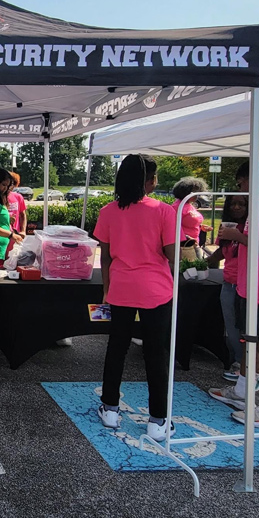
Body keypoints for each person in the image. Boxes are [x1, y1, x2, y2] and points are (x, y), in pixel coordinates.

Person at [94, 154, 180, 442]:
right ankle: (157, 420)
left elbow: (105, 257)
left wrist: (107, 289)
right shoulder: (164, 211)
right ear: (149, 180)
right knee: (156, 353)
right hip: (156, 290)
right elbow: (172, 254)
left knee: (116, 349)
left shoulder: (108, 211)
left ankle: (110, 408)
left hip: (120, 288)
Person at [209, 160, 259, 430]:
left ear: (254, 178)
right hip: (253, 284)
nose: (241, 189)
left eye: (242, 183)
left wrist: (237, 235)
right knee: (250, 341)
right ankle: (243, 392)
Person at [206, 195, 259, 382]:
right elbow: (222, 252)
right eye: (233, 204)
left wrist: (240, 237)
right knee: (232, 329)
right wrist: (202, 263)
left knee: (246, 330)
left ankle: (253, 370)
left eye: (242, 204)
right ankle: (240, 363)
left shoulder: (251, 228)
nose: (237, 207)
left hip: (246, 285)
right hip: (228, 283)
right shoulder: (227, 227)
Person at [171, 176, 213, 249]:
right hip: (183, 245)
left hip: (194, 243)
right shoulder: (177, 207)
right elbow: (172, 227)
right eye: (196, 193)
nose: (198, 195)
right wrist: (186, 238)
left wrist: (201, 227)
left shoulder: (189, 205)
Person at [6, 172, 28, 238]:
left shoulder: (18, 197)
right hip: (2, 234)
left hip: (15, 235)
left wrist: (23, 231)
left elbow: (23, 215)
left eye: (12, 184)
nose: (10, 186)